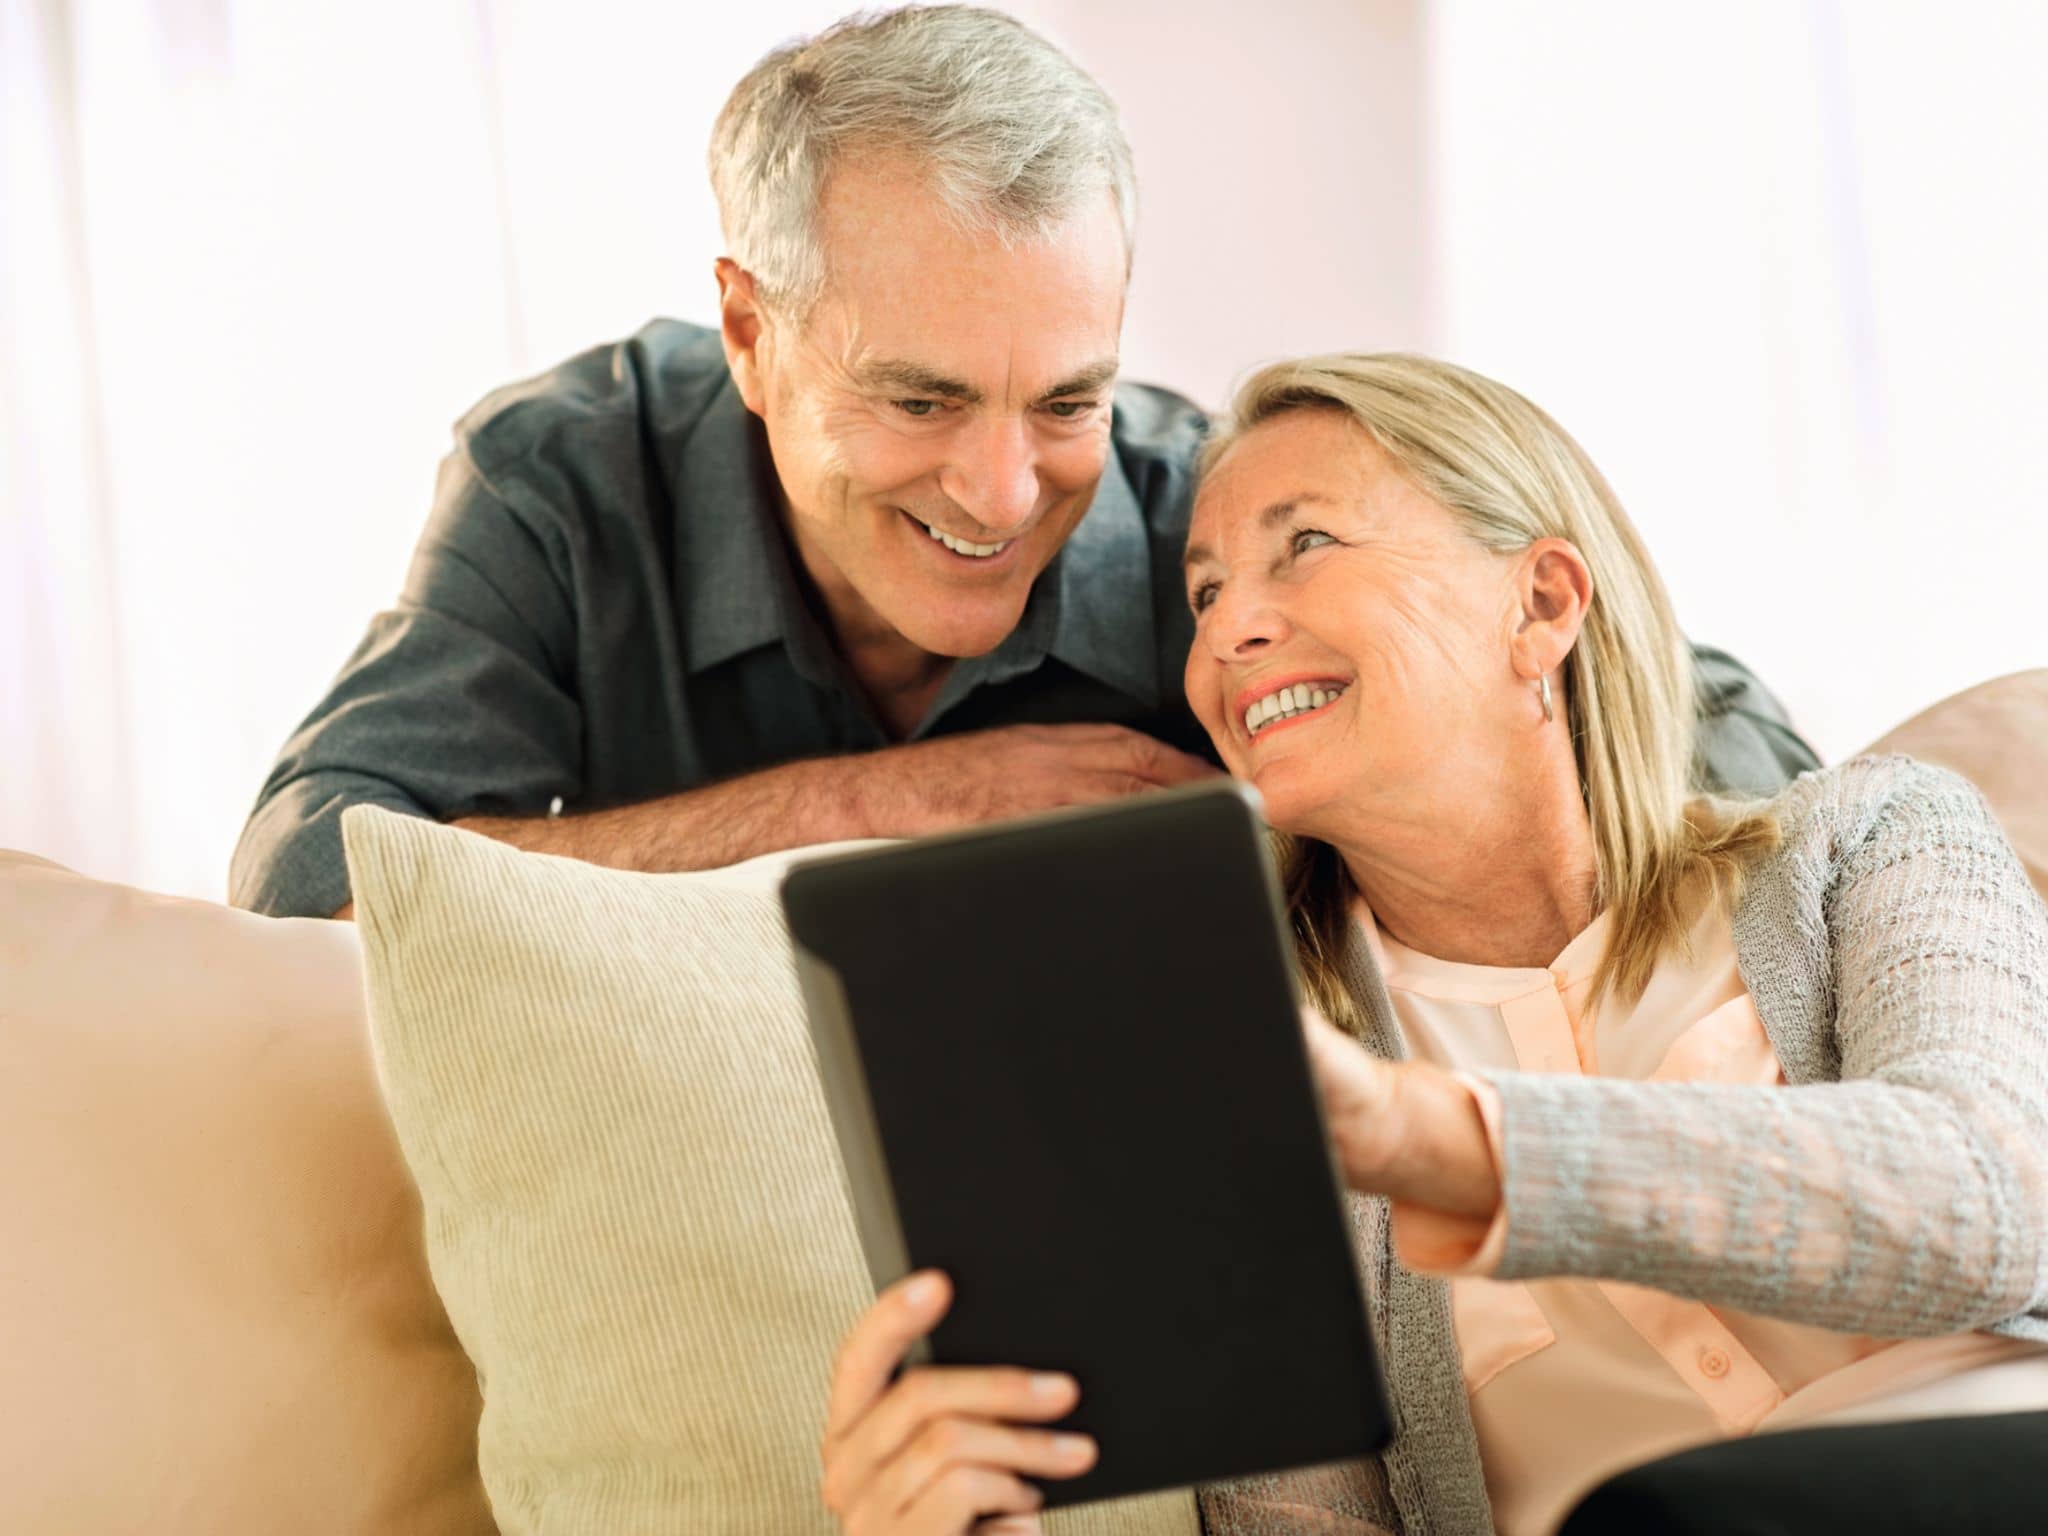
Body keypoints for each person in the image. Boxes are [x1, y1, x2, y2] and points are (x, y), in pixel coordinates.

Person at [818, 354, 2048, 1536]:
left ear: (1542, 603)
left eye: (1301, 546)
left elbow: (1992, 1198)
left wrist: (1416, 1135)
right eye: (1200, 592)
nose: (1227, 628)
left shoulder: (1867, 838)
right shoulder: (1238, 1072)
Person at [227, 5, 1813, 919]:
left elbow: (1711, 730)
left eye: (1066, 401)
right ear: (754, 331)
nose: (1004, 494)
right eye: (918, 402)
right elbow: (308, 878)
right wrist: (893, 803)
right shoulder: (564, 481)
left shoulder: (1220, 514)